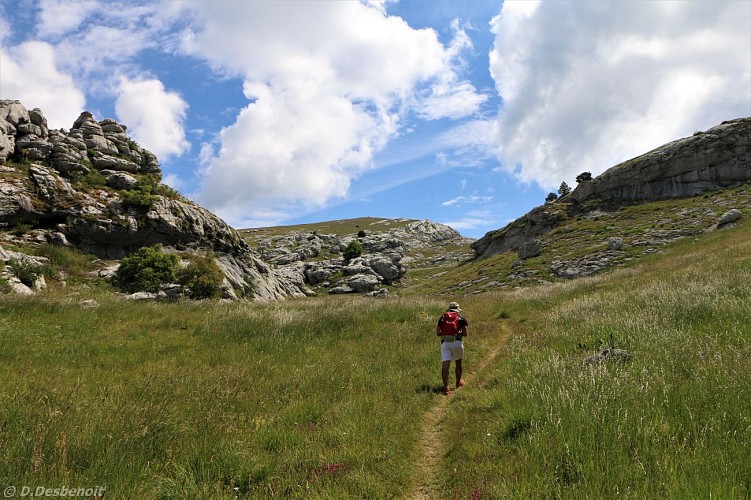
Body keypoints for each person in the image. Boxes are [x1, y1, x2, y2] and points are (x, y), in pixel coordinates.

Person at [436, 302, 468, 395]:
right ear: (457, 310)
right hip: (457, 342)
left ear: (449, 309)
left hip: (445, 343)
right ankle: (458, 383)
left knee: (445, 365)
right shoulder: (461, 318)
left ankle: (446, 388)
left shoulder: (442, 318)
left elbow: (438, 333)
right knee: (458, 362)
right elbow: (465, 334)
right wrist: (458, 333)